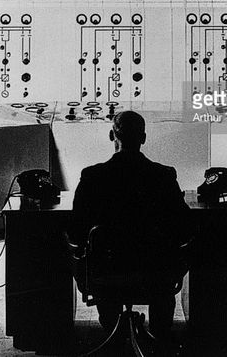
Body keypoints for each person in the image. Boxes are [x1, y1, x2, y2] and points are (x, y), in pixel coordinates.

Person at [69, 110, 192, 341]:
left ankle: (112, 333)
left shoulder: (92, 177)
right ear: (143, 138)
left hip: (106, 269)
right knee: (162, 275)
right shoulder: (163, 176)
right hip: (155, 270)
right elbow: (183, 226)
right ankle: (160, 337)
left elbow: (76, 229)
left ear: (111, 135)